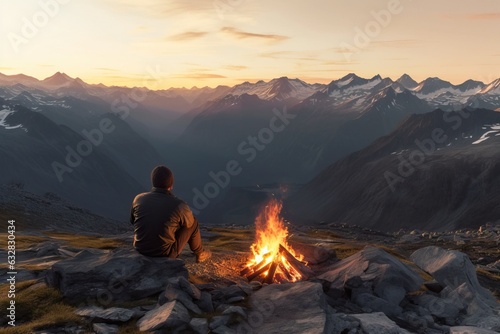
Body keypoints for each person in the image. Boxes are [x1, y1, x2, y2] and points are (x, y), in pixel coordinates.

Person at [130, 165, 212, 263]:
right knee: (193, 223)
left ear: (153, 182)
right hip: (164, 254)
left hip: (140, 249)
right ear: (171, 184)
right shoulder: (179, 205)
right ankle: (200, 253)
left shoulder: (138, 199)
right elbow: (189, 224)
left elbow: (133, 221)